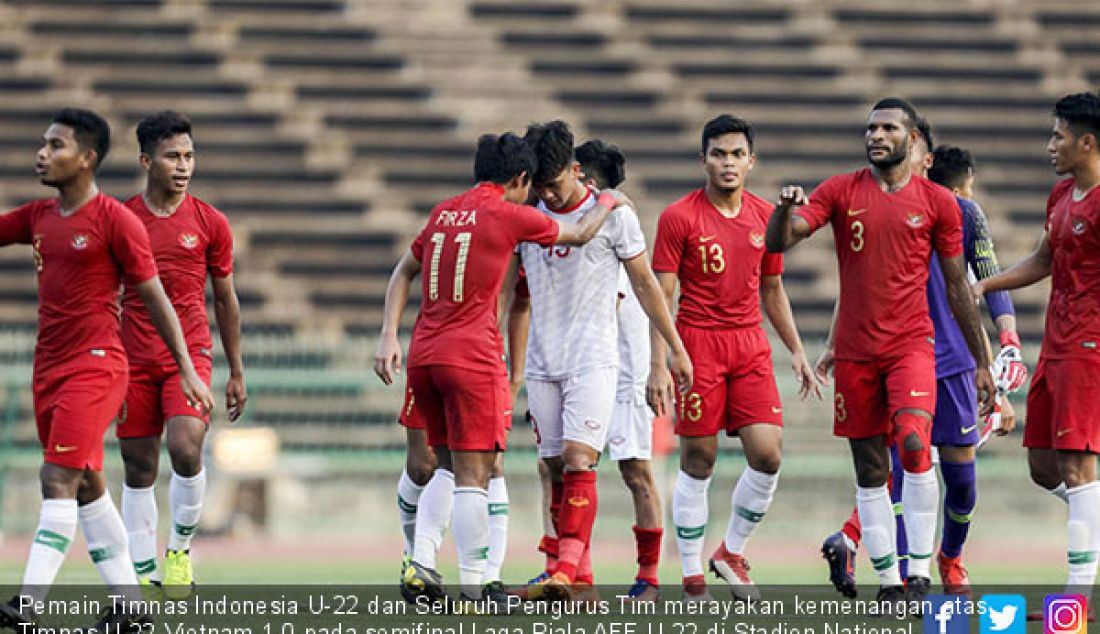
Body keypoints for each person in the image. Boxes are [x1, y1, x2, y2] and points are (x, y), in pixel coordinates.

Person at [375, 132, 624, 610]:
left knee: (444, 467)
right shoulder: (510, 214)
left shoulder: (443, 211)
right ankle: (477, 587)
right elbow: (579, 232)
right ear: (520, 178)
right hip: (472, 357)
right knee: (477, 473)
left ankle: (420, 562)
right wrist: (609, 198)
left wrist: (389, 334)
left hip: (425, 352)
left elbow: (404, 269)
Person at [765, 98, 994, 608]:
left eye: (888, 127)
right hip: (856, 352)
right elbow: (781, 242)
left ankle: (918, 575)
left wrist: (982, 359)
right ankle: (889, 580)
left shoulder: (938, 202)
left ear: (912, 140)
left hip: (913, 345)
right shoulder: (841, 190)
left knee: (914, 443)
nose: (876, 134)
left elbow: (959, 284)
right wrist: (783, 209)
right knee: (870, 468)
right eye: (871, 127)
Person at [0, 108, 214, 633]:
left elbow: (154, 295)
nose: (42, 154)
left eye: (55, 145)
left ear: (87, 159)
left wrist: (186, 366)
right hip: (48, 367)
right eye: (44, 144)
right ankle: (132, 607)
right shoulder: (38, 218)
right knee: (92, 485)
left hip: (97, 367)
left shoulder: (117, 221)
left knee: (57, 477)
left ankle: (26, 606)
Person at [818, 129, 1026, 599]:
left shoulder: (959, 211)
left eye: (906, 145)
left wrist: (1000, 349)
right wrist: (834, 342)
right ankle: (906, 578)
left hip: (950, 358)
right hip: (891, 354)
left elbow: (991, 279)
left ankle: (944, 556)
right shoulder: (872, 206)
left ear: (926, 158)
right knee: (903, 465)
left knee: (959, 477)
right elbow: (856, 286)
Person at [511, 120, 691, 602]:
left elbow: (648, 288)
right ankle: (573, 576)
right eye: (540, 185)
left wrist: (669, 353)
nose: (548, 194)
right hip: (545, 364)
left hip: (610, 361)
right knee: (551, 466)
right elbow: (519, 297)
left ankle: (640, 577)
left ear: (577, 173)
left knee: (621, 467)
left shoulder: (613, 217)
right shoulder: (529, 219)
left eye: (556, 183)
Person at [648, 115, 820, 602]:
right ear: (703, 158)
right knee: (698, 460)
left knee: (767, 455)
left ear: (751, 161)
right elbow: (661, 295)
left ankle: (730, 552)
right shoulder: (679, 217)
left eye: (736, 154)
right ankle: (691, 576)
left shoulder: (767, 216)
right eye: (718, 154)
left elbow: (772, 289)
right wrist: (659, 363)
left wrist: (796, 349)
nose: (728, 163)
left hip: (749, 345)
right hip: (697, 344)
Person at [973, 92, 1100, 608]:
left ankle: (1077, 600)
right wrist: (985, 286)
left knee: (1076, 468)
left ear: (1086, 142)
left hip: (1089, 348)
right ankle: (1090, 515)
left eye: (1058, 136)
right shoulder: (1062, 196)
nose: (1051, 145)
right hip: (1054, 343)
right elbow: (1045, 259)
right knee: (1043, 468)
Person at [116, 111, 246, 600]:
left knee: (187, 448)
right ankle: (143, 567)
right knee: (137, 466)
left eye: (189, 155)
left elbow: (226, 299)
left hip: (188, 356)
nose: (183, 165)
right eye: (173, 156)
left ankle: (179, 552)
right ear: (147, 161)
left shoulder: (210, 222)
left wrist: (236, 370)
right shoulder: (122, 219)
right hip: (133, 358)